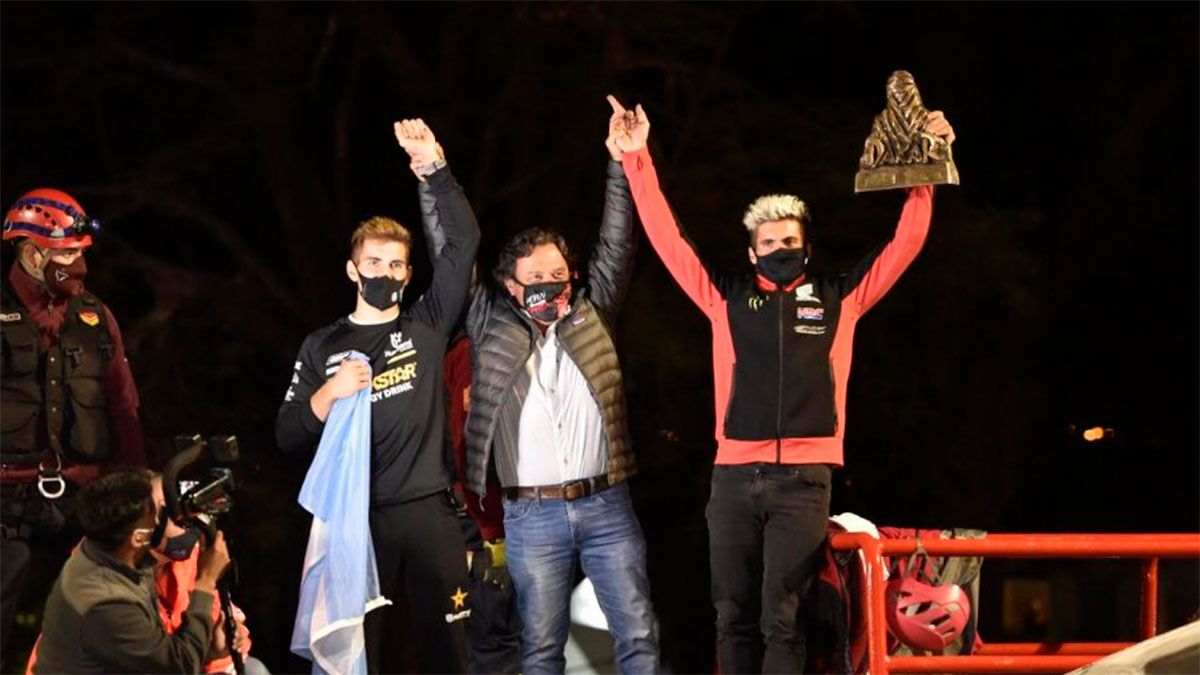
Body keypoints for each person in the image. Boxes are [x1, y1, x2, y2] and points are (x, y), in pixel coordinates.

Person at [608, 94, 955, 673]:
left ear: (806, 248)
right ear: (752, 252)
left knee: (783, 617)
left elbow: (905, 244)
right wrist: (636, 158)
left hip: (804, 480)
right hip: (733, 478)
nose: (780, 250)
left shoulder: (840, 297)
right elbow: (668, 238)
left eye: (789, 242)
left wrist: (927, 171)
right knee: (731, 616)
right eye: (768, 244)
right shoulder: (725, 299)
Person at [275, 118, 480, 673]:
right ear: (352, 269)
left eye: (395, 264)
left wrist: (433, 169)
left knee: (453, 656)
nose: (384, 272)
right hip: (357, 523)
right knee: (361, 657)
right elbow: (288, 434)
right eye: (373, 263)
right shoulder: (324, 345)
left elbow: (463, 245)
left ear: (409, 273)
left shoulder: (428, 324)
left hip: (431, 511)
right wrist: (330, 393)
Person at [461, 103, 658, 674]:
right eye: (536, 279)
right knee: (540, 650)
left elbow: (618, 244)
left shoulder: (592, 311)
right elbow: (452, 250)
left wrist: (621, 162)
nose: (551, 287)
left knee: (639, 636)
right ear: (509, 285)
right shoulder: (489, 323)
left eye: (558, 276)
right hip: (531, 514)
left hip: (607, 504)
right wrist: (434, 177)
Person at [1, 187, 144, 652]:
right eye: (66, 253)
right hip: (5, 507)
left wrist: (138, 494)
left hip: (82, 505)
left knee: (97, 638)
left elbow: (125, 411)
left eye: (81, 253)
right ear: (32, 252)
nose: (78, 266)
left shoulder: (95, 317)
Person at [25, 473, 264, 674]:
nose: (183, 515)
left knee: (253, 670)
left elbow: (205, 636)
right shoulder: (104, 599)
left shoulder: (179, 558)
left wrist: (217, 649)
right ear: (139, 536)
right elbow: (177, 665)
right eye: (164, 509)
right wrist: (206, 581)